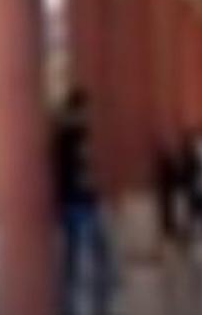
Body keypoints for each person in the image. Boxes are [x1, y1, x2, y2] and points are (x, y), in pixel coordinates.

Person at [53, 90, 113, 315]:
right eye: (85, 111)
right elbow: (75, 171)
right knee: (92, 250)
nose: (88, 116)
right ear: (77, 110)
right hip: (77, 202)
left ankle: (72, 300)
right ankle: (87, 298)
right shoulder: (69, 136)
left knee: (76, 252)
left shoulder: (71, 135)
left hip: (79, 201)